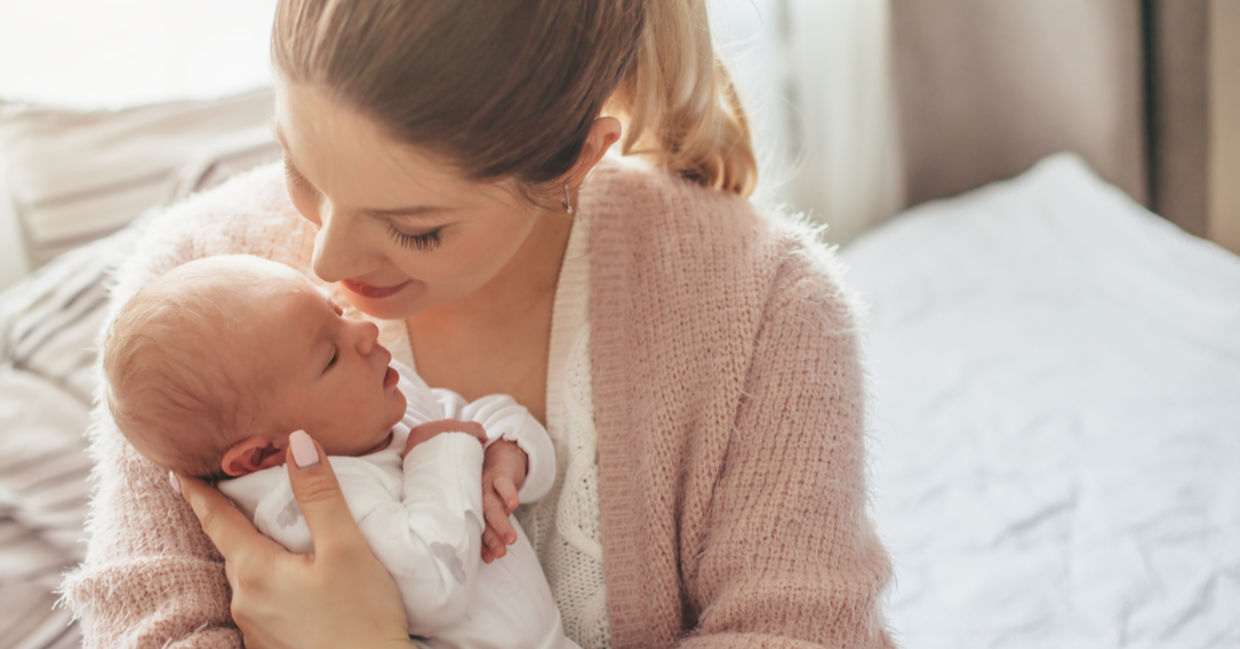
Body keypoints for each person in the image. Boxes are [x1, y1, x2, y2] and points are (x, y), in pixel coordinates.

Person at [62, 2, 896, 648]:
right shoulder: (194, 294)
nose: (325, 260)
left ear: (577, 159)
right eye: (301, 169)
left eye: (414, 227)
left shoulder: (766, 310)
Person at [101, 254, 577, 649]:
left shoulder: (375, 409)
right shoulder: (299, 507)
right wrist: (441, 453)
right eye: (330, 356)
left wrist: (508, 454)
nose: (365, 331)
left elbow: (471, 416)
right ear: (261, 456)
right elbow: (434, 586)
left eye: (336, 311)